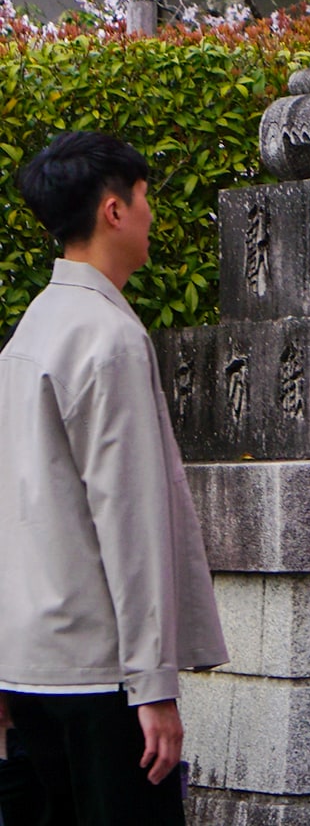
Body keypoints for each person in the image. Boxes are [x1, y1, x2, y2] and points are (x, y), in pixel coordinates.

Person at [0, 131, 227, 825]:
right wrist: (153, 686)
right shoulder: (109, 339)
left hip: (25, 666)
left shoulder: (29, 332)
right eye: (145, 197)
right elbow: (130, 520)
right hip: (102, 678)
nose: (152, 214)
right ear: (113, 210)